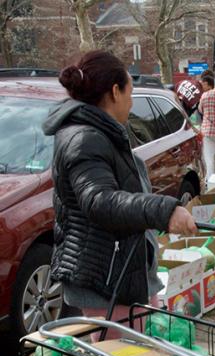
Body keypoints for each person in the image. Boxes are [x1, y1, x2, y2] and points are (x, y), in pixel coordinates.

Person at [42, 50, 197, 339]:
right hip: (106, 280)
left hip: (120, 274)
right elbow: (99, 201)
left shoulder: (101, 132)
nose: (131, 100)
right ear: (115, 92)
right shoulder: (85, 138)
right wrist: (164, 210)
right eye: (130, 91)